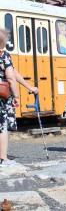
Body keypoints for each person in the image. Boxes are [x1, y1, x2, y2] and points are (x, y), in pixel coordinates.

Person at [0, 29, 20, 165]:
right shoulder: (4, 56)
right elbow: (11, 78)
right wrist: (17, 96)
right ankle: (3, 158)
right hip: (1, 97)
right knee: (2, 126)